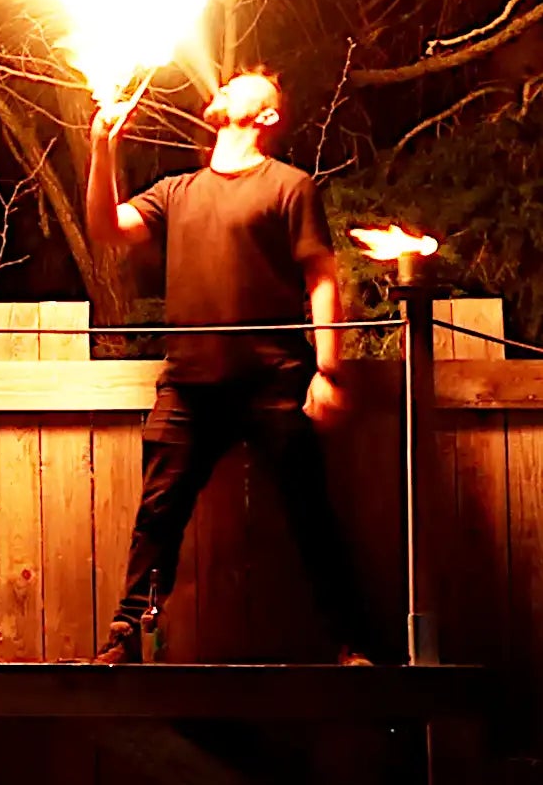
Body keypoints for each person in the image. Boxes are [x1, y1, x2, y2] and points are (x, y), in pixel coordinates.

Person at [87, 69, 376, 664]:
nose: (221, 87)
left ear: (266, 117)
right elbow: (107, 229)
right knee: (158, 513)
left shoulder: (290, 187)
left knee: (309, 514)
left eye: (241, 86)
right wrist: (101, 147)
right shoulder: (177, 190)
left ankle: (352, 642)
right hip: (190, 386)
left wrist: (329, 370)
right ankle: (126, 637)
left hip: (273, 381)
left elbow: (321, 276)